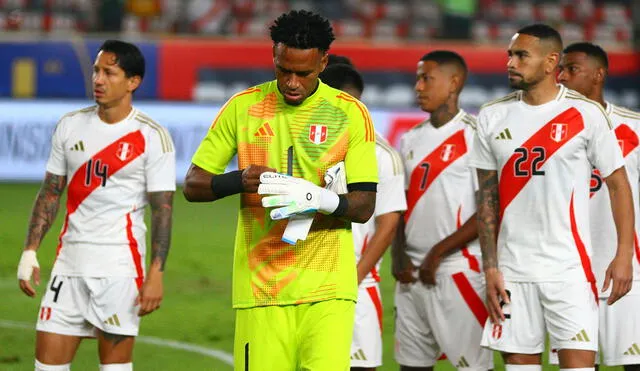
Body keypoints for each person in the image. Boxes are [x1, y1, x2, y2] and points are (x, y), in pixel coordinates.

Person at [183, 10, 378, 371]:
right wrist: (239, 180)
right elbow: (193, 185)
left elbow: (364, 206)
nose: (291, 82)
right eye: (283, 69)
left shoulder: (350, 114)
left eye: (302, 73)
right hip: (261, 289)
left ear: (323, 62)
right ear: (274, 55)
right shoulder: (244, 108)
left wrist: (314, 197)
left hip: (328, 290)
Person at [470, 24, 634, 371]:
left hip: (569, 272)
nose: (511, 63)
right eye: (510, 55)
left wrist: (623, 256)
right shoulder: (491, 116)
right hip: (511, 272)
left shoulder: (586, 115)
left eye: (521, 55)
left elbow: (619, 185)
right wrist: (491, 268)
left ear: (550, 62)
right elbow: (487, 200)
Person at [16, 40, 176, 371]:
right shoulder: (70, 125)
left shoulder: (151, 136)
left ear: (133, 81)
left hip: (119, 271)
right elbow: (51, 191)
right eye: (96, 71)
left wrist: (156, 273)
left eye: (109, 72)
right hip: (68, 266)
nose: (99, 79)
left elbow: (163, 209)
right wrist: (30, 250)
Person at [392, 50, 492, 371]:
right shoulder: (409, 139)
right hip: (411, 276)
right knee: (412, 365)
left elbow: (489, 211)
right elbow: (399, 204)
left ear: (454, 83)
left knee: (472, 366)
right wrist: (398, 255)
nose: (418, 87)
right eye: (417, 78)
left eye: (426, 78)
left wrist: (437, 253)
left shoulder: (477, 136)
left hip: (457, 270)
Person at [553, 42, 640, 371]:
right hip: (569, 273)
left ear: (599, 75)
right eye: (559, 69)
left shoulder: (633, 127)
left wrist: (626, 255)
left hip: (627, 270)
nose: (561, 76)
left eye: (571, 69)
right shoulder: (549, 131)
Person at [320, 62, 407, 371]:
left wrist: (353, 278)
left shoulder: (381, 154)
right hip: (303, 276)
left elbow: (389, 223)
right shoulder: (304, 144)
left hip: (356, 281)